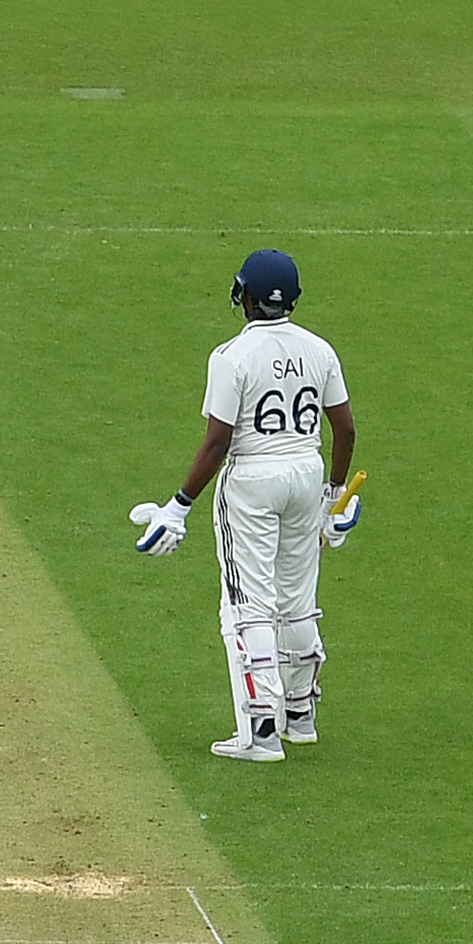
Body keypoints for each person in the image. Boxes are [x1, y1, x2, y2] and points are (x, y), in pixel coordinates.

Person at [132, 250, 358, 760]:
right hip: (306, 471)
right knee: (298, 598)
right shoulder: (320, 350)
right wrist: (334, 497)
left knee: (246, 604)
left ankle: (259, 732)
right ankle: (300, 716)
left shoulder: (231, 357)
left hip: (253, 479)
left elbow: (218, 441)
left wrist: (179, 504)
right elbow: (343, 429)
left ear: (245, 296)